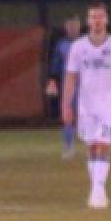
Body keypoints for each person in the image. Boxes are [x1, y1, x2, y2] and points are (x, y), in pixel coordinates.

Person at [61, 2, 111, 209]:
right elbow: (71, 77)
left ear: (106, 19)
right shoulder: (79, 47)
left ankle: (98, 191)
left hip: (109, 104)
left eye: (100, 16)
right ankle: (96, 187)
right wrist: (66, 105)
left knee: (103, 144)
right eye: (93, 17)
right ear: (88, 20)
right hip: (86, 106)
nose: (97, 20)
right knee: (92, 147)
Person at [47, 14, 82, 158]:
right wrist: (52, 82)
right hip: (69, 86)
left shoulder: (87, 43)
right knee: (68, 116)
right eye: (70, 26)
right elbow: (55, 66)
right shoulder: (61, 45)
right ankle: (69, 147)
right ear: (66, 28)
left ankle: (96, 146)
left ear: (79, 27)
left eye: (75, 26)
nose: (72, 29)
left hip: (88, 86)